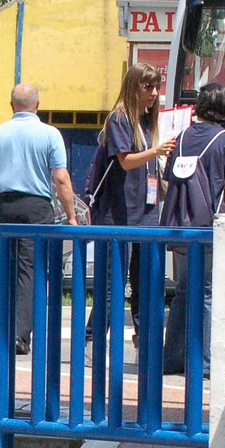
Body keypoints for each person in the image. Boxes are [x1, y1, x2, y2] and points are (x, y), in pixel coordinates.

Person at [0, 83, 80, 356]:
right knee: (30, 271)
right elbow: (60, 178)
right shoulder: (50, 134)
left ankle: (7, 330)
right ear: (38, 106)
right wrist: (71, 216)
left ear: (11, 106)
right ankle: (21, 335)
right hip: (37, 207)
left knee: (8, 269)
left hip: (6, 205)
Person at [159, 82, 225, 376]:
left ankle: (172, 358)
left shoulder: (181, 138)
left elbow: (167, 181)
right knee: (209, 291)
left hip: (181, 226)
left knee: (184, 290)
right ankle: (206, 362)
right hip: (211, 227)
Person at [85, 63, 176, 344]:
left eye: (156, 87)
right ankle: (94, 340)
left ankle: (144, 340)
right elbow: (125, 162)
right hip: (119, 215)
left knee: (145, 283)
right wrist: (155, 151)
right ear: (133, 87)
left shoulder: (148, 123)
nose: (154, 93)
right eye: (147, 87)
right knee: (113, 284)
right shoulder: (120, 118)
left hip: (146, 212)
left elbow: (147, 168)